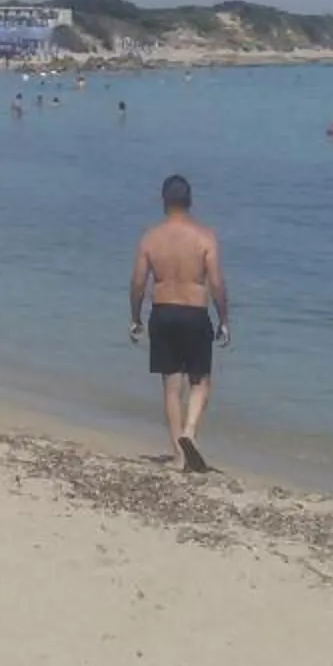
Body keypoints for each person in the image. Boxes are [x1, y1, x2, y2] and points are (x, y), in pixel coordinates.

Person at [128, 173, 229, 473]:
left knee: (171, 386)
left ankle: (178, 456)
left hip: (163, 312)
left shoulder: (150, 237)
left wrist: (135, 317)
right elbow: (217, 283)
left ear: (164, 201)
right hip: (195, 313)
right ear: (190, 201)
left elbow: (137, 283)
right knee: (200, 381)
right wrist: (224, 319)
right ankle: (190, 432)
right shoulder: (205, 237)